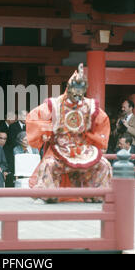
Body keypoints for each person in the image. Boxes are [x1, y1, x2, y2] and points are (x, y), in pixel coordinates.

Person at [27, 64, 112, 203]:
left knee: (104, 164)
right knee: (49, 164)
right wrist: (49, 128)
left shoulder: (90, 107)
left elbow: (103, 123)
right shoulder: (55, 105)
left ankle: (97, 194)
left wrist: (92, 136)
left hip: (83, 149)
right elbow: (33, 118)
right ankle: (47, 195)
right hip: (59, 150)